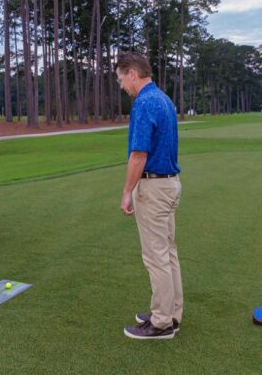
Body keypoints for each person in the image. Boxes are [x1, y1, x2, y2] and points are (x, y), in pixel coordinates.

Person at [116, 52, 183, 340]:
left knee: (156, 256)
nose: (122, 86)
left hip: (154, 188)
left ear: (133, 73)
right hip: (171, 184)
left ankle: (161, 323)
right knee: (168, 253)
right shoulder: (164, 99)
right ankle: (171, 313)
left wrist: (127, 192)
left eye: (121, 79)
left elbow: (139, 154)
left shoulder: (143, 103)